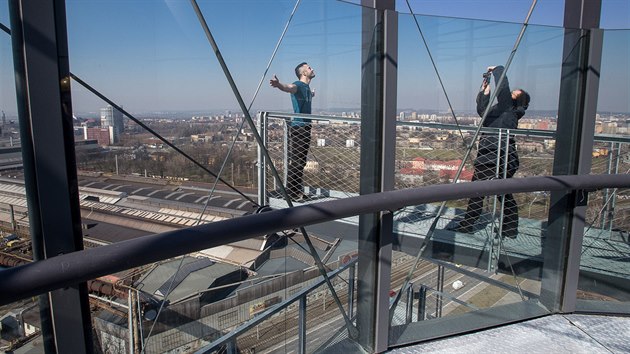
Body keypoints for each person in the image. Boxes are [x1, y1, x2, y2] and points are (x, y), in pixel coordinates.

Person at [454, 65, 530, 239]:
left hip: (495, 157)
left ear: (517, 101)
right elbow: (483, 112)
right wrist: (485, 93)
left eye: (513, 95)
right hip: (495, 157)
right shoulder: (504, 112)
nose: (508, 96)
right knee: (501, 193)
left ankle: (468, 226)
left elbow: (503, 88)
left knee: (478, 193)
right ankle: (509, 230)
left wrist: (499, 69)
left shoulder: (508, 109)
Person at [269, 62, 316, 201]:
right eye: (309, 68)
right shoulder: (298, 85)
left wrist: (311, 94)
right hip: (299, 127)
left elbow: (303, 97)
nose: (312, 68)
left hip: (305, 127)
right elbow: (290, 87)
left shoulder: (306, 88)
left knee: (301, 162)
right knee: (297, 161)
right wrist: (279, 85)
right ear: (303, 73)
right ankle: (291, 193)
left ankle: (296, 191)